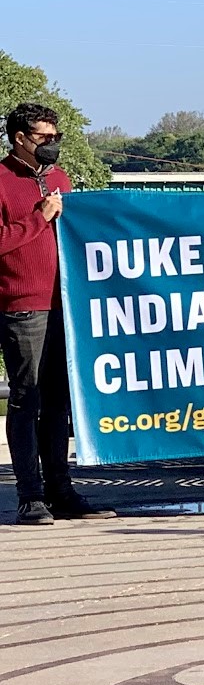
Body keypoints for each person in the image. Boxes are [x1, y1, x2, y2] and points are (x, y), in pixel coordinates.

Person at [0, 104, 107, 524]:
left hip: (67, 304)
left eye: (55, 135)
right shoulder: (3, 180)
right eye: (44, 137)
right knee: (26, 401)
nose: (53, 143)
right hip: (23, 306)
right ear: (20, 138)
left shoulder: (60, 179)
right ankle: (30, 495)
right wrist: (37, 219)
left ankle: (61, 488)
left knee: (60, 401)